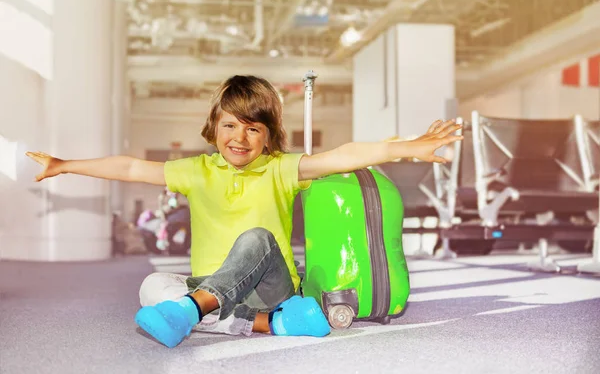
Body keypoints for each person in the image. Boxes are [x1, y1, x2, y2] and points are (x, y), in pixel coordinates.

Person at [26, 75, 462, 348]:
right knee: (153, 284)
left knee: (256, 238)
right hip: (221, 292)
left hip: (270, 284)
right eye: (230, 125)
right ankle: (272, 326)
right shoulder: (195, 170)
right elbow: (130, 166)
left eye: (254, 128)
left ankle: (198, 313)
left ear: (269, 136)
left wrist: (409, 148)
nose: (240, 137)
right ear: (214, 127)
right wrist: (65, 165)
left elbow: (346, 154)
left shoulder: (281, 168)